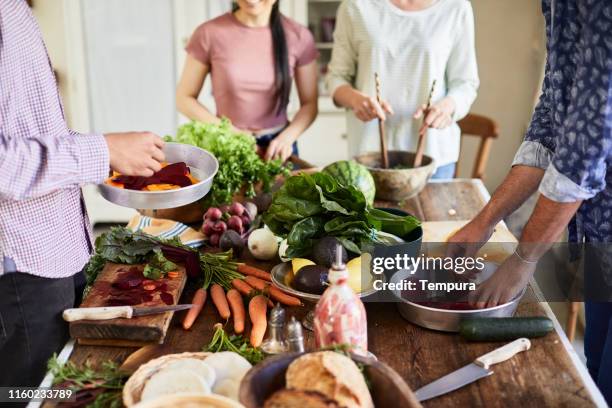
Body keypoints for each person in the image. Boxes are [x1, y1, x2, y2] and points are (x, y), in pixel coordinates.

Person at [448, 0, 612, 402]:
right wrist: (483, 222)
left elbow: (583, 153)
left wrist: (523, 260)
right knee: (593, 372)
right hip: (599, 237)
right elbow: (551, 124)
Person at [0, 0, 166, 389]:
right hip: (20, 267)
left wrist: (106, 154)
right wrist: (102, 151)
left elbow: (24, 134)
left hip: (57, 250)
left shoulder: (14, 9)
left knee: (65, 386)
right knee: (26, 395)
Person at [327, 0, 479, 178]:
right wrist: (356, 100)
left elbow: (465, 83)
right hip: (369, 156)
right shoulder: (356, 6)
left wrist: (447, 107)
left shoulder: (456, 7)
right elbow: (336, 77)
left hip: (433, 155)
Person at [176, 0, 318, 162]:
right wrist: (231, 134)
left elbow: (309, 104)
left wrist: (286, 138)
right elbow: (184, 98)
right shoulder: (208, 33)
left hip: (278, 149)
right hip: (229, 143)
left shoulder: (299, 36)